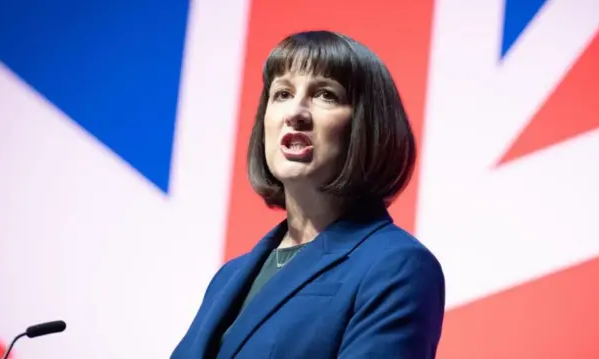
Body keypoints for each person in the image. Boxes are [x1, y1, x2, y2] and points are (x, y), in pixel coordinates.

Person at [171, 30, 445, 359]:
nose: (296, 112)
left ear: (367, 125)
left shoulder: (396, 265)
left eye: (326, 95)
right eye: (282, 93)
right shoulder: (228, 277)